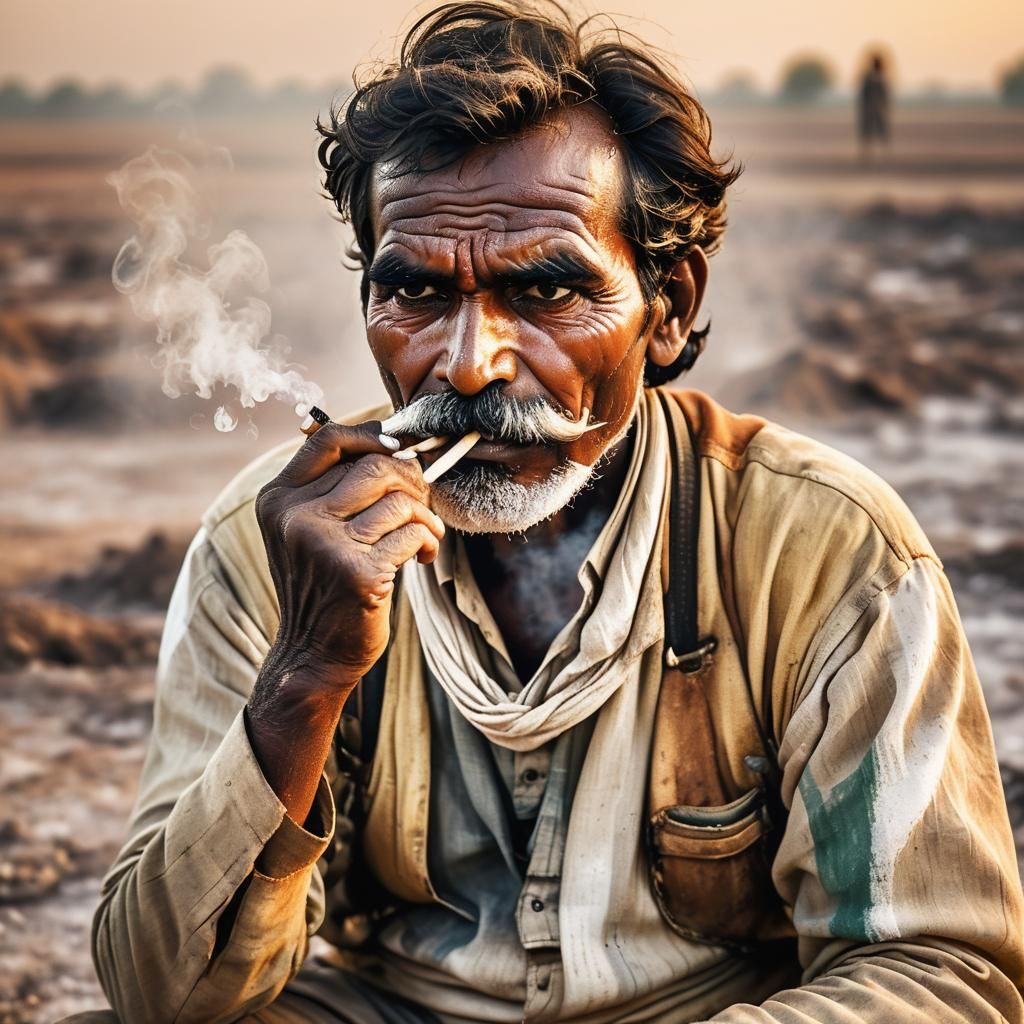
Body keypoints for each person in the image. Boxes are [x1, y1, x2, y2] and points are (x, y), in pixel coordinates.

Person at [66, 4, 1024, 1022]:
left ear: (669, 306)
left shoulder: (826, 548)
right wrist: (304, 675)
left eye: (546, 291)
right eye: (417, 294)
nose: (468, 363)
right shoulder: (271, 547)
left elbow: (938, 974)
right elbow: (163, 997)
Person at [858, 52, 891, 158]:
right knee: (869, 131)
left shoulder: (878, 77)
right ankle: (868, 152)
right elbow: (864, 94)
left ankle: (883, 152)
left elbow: (884, 94)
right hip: (871, 108)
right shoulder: (871, 77)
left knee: (879, 130)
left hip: (875, 108)